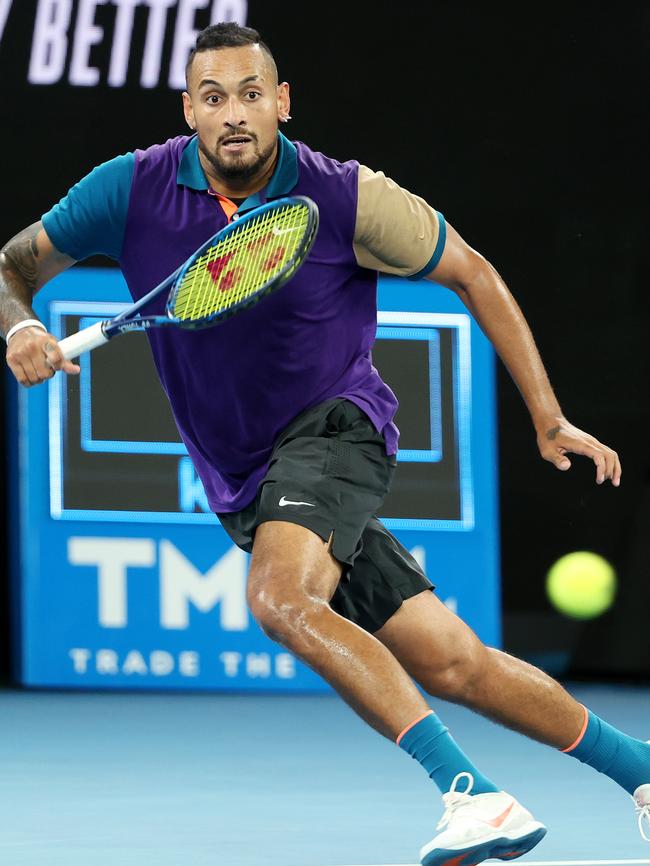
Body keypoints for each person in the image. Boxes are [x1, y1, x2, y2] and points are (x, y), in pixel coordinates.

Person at [1, 21, 647, 866]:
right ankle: (641, 773)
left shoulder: (345, 196)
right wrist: (18, 328)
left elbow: (473, 273)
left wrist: (548, 414)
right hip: (248, 475)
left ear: (283, 102)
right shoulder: (129, 187)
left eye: (251, 93)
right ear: (189, 110)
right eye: (213, 97)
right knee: (453, 663)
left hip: (338, 428)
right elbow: (12, 266)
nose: (234, 113)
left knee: (279, 600)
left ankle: (471, 796)